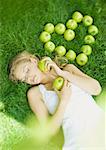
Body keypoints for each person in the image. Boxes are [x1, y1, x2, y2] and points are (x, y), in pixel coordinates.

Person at [9, 51, 105, 150]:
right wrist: (63, 100)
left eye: (27, 70)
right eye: (24, 79)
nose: (28, 78)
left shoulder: (68, 70)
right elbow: (49, 131)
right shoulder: (35, 94)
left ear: (33, 61)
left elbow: (96, 89)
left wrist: (62, 73)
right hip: (77, 142)